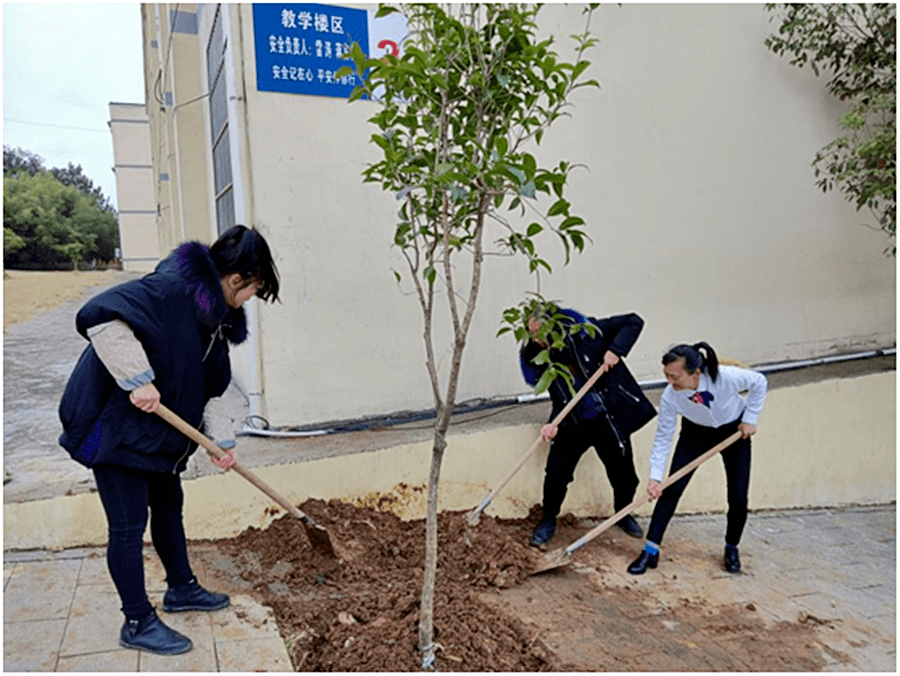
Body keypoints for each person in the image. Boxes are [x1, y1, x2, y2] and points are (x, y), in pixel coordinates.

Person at [58, 225, 280, 655]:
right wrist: (138, 379)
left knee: (168, 507)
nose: (252, 298)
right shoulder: (169, 290)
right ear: (237, 279)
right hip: (116, 430)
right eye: (254, 288)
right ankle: (138, 621)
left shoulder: (216, 321)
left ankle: (181, 588)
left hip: (157, 435)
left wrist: (224, 441)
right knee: (126, 527)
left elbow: (213, 386)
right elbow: (100, 316)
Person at [520, 306, 657, 546]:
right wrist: (552, 424)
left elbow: (633, 320)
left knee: (624, 475)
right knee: (556, 473)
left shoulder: (588, 333)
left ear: (556, 324)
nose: (536, 338)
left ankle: (622, 514)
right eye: (531, 333)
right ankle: (548, 519)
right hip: (571, 422)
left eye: (540, 330)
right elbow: (537, 382)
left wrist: (615, 350)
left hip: (608, 419)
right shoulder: (536, 355)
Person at [627, 342, 767, 576]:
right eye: (666, 376)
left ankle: (731, 547)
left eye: (675, 376)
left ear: (696, 373)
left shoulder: (725, 377)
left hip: (733, 432)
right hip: (695, 434)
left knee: (738, 496)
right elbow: (663, 438)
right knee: (670, 490)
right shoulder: (671, 396)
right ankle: (650, 550)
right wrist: (654, 478)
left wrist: (750, 418)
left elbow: (759, 382)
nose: (670, 382)